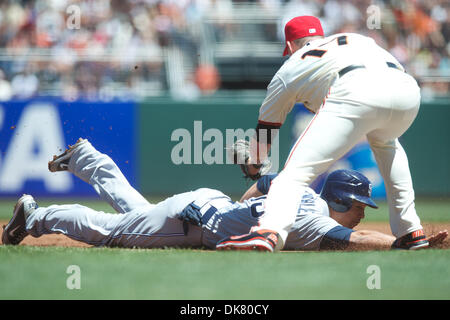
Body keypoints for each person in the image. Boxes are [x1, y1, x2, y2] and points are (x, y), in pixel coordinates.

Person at [216, 15, 430, 251]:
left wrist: (253, 165)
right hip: (407, 90)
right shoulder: (353, 39)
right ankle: (411, 230)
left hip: (355, 88)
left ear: (289, 46)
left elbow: (264, 138)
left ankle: (269, 231)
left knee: (295, 174)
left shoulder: (291, 66)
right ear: (321, 36)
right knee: (388, 145)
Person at [2, 138, 447, 251]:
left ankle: (85, 158)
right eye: (360, 207)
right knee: (110, 232)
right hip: (187, 224)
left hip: (202, 207)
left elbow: (265, 182)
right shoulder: (312, 220)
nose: (361, 216)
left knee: (133, 210)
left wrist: (241, 204)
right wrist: (406, 243)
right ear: (343, 202)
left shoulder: (299, 190)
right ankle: (37, 216)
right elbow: (353, 241)